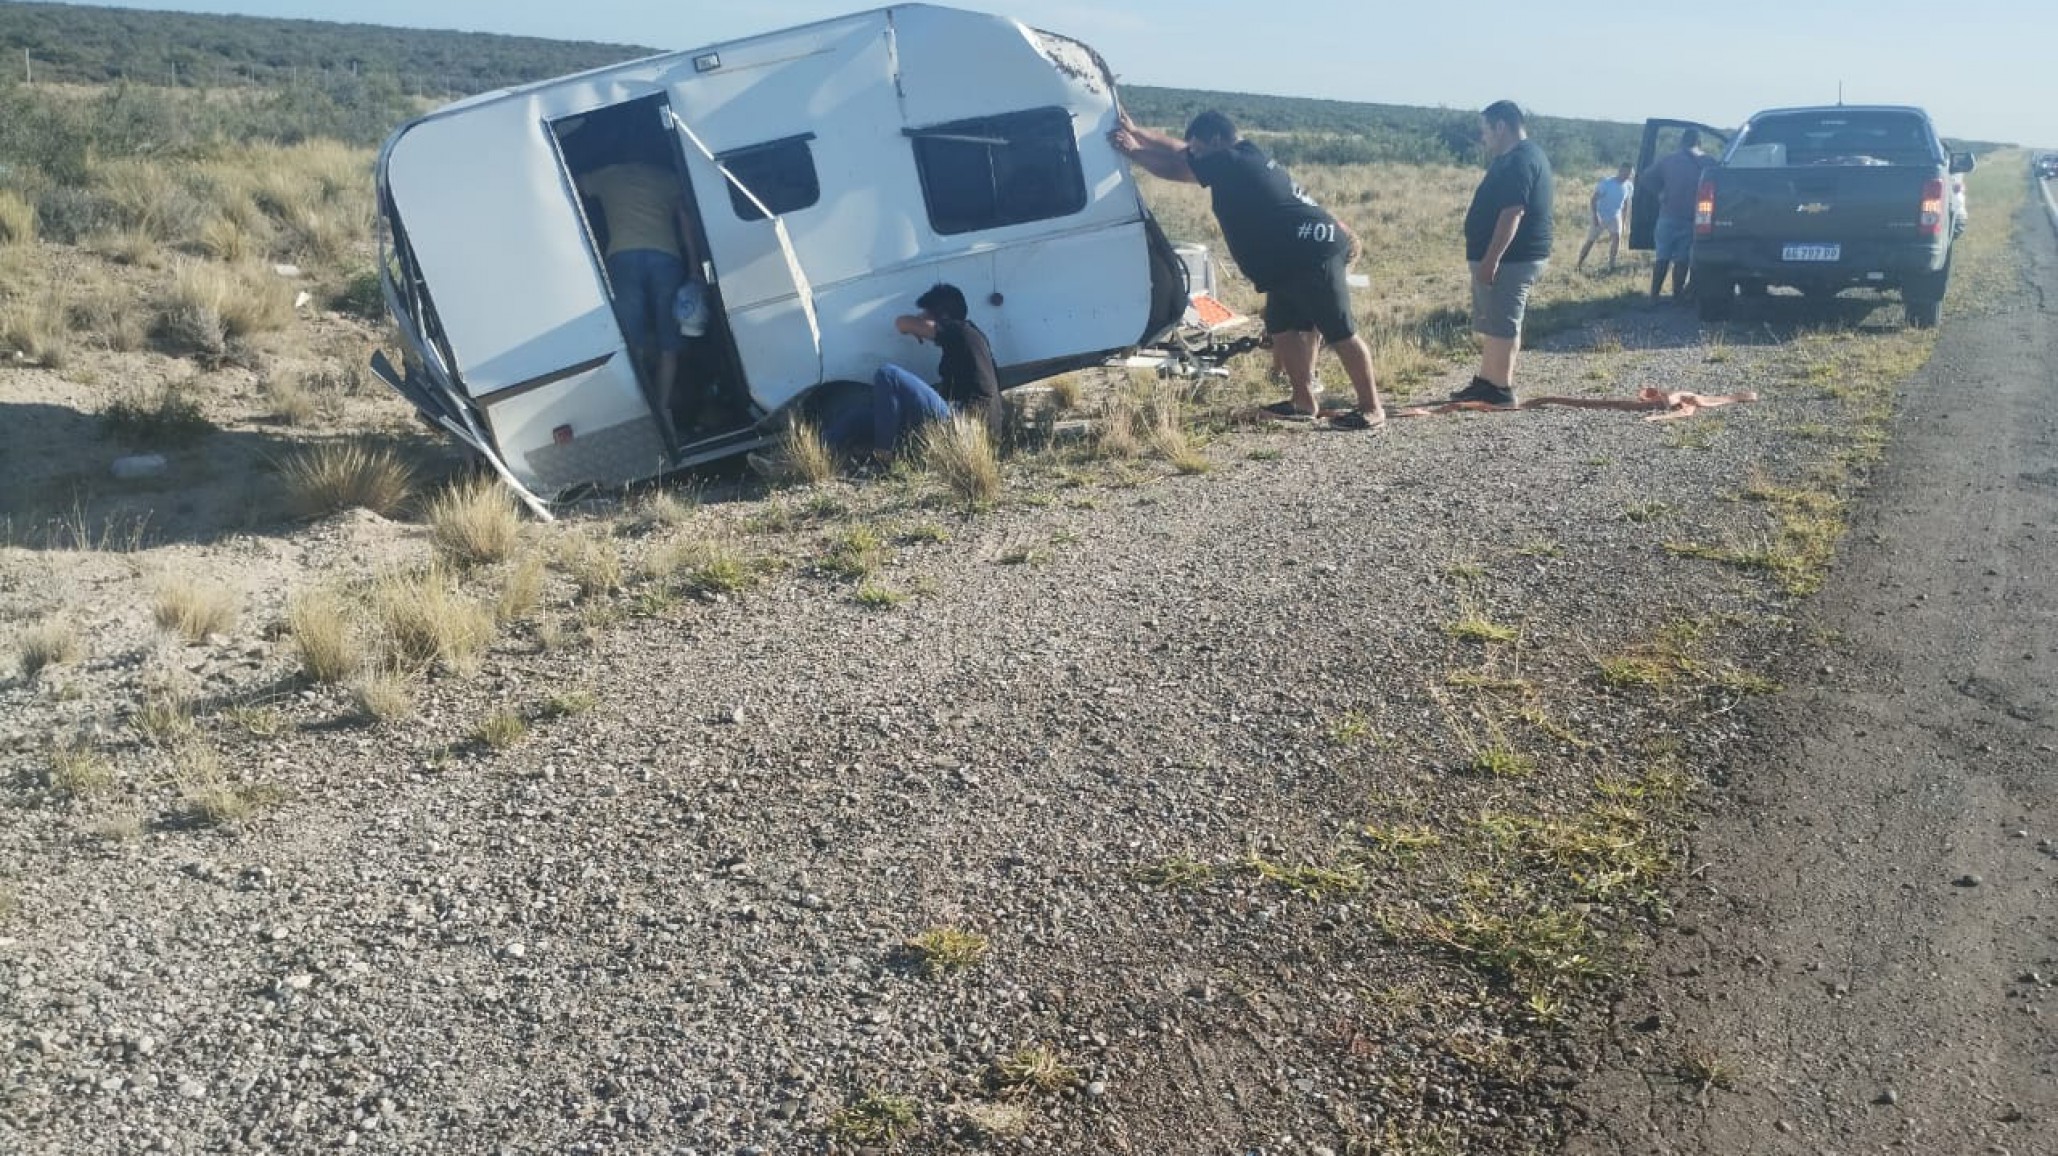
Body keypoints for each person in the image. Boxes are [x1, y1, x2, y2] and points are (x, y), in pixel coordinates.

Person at [1109, 109, 1386, 431]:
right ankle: (1302, 403)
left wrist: (1131, 150)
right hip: (1285, 260)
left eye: (1198, 147)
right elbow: (1179, 151)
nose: (1194, 153)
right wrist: (1139, 132)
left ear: (1216, 141)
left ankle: (1371, 408)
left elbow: (1174, 166)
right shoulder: (1238, 153)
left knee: (1340, 331)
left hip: (1312, 252)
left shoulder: (1232, 161)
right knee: (1282, 328)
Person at [575, 160, 696, 451]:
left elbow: (572, 186)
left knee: (633, 343)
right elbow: (684, 218)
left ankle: (641, 416)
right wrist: (693, 269)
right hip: (667, 257)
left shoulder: (606, 173)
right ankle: (664, 415)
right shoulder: (667, 177)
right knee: (669, 345)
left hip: (623, 256)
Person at [822, 283, 1001, 461]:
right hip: (965, 425)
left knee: (888, 374)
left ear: (943, 317)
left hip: (966, 428)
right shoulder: (968, 338)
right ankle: (820, 449)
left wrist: (918, 326)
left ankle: (884, 454)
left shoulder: (959, 331)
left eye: (924, 314)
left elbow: (902, 323)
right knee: (859, 416)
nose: (920, 317)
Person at [1455, 100, 1554, 408]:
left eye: (1485, 129)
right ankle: (1487, 380)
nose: (1483, 137)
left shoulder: (1520, 160)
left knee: (1503, 322)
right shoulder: (1511, 157)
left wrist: (1491, 259)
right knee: (1495, 321)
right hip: (1508, 258)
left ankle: (1500, 389)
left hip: (1513, 259)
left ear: (1501, 126)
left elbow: (1513, 212)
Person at [1639, 129, 1710, 302]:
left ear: (1682, 141)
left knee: (1662, 258)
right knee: (1682, 260)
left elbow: (1645, 178)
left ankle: (1654, 297)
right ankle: (1677, 297)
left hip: (1668, 215)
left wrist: (1659, 193)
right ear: (1699, 142)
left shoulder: (1668, 160)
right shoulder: (1708, 162)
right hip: (1692, 218)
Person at [1577, 163, 1634, 272]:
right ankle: (1579, 264)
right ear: (1620, 170)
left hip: (1615, 215)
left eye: (1629, 173)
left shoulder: (1629, 186)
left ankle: (1611, 265)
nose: (1627, 175)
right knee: (1591, 240)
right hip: (1601, 214)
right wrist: (1595, 216)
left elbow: (1626, 203)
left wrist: (1624, 220)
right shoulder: (1607, 183)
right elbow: (1593, 199)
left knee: (1617, 238)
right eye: (1625, 172)